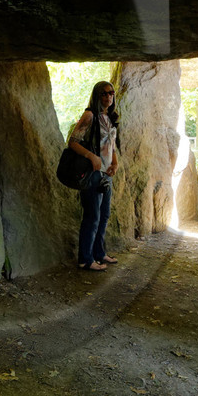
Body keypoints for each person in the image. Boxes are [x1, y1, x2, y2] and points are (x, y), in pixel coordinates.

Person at [66, 81, 119, 271]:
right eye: (104, 94)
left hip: (106, 173)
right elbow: (72, 142)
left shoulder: (110, 117)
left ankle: (99, 253)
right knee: (92, 216)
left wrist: (114, 162)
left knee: (104, 215)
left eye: (111, 93)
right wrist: (91, 156)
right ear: (97, 96)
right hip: (92, 173)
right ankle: (85, 259)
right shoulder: (90, 115)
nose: (108, 97)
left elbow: (111, 144)